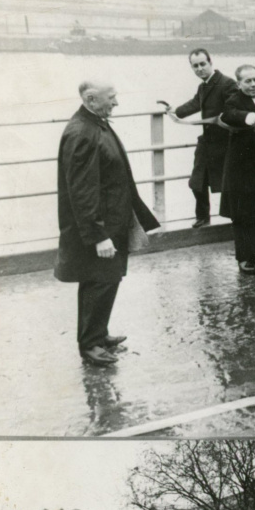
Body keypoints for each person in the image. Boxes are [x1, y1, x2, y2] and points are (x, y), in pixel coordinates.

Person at [56, 80, 160, 366]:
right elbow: (82, 191)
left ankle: (98, 334)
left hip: (112, 222)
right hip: (101, 228)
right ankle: (89, 345)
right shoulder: (82, 132)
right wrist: (98, 235)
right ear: (91, 99)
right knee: (98, 281)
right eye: (111, 98)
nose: (116, 103)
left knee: (107, 279)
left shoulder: (95, 123)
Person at [166, 48, 238, 228]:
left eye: (202, 64)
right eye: (195, 66)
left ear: (210, 63)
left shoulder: (227, 83)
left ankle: (238, 215)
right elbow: (196, 103)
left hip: (225, 142)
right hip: (207, 142)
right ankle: (202, 216)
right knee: (196, 181)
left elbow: (233, 109)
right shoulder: (203, 85)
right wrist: (175, 111)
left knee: (231, 182)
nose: (199, 68)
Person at [219, 65, 255, 274]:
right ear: (239, 84)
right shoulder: (235, 101)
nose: (253, 85)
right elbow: (228, 114)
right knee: (242, 215)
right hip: (240, 170)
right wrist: (246, 117)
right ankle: (244, 258)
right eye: (247, 81)